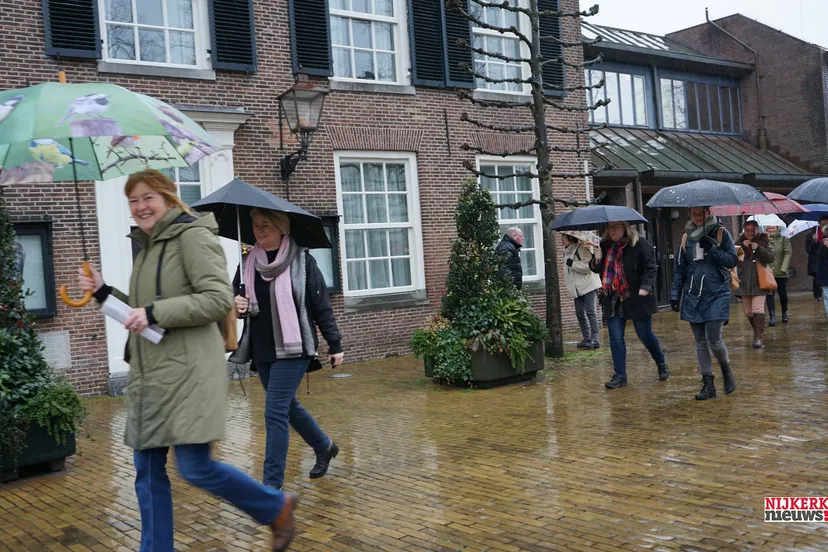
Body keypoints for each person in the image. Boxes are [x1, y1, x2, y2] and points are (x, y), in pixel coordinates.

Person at [78, 170, 297, 552]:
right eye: (133, 200)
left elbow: (216, 299)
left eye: (148, 197)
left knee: (195, 467)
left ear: (168, 198)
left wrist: (155, 312)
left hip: (188, 373)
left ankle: (275, 506)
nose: (140, 206)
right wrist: (101, 292)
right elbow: (140, 312)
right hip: (151, 375)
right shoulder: (148, 248)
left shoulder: (194, 236)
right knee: (146, 473)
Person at [234, 208, 343, 491]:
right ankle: (324, 447)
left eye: (266, 226)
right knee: (287, 407)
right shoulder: (246, 262)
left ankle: (271, 486)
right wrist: (237, 304)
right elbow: (236, 300)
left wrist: (335, 344)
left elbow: (321, 306)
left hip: (295, 347)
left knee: (274, 412)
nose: (259, 231)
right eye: (255, 225)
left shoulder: (302, 262)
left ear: (281, 228)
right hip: (263, 348)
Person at [590, 222, 668, 389]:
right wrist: (596, 258)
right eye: (609, 227)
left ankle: (660, 362)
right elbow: (598, 269)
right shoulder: (604, 246)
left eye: (616, 227)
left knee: (644, 334)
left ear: (625, 227)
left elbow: (651, 266)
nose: (612, 231)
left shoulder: (639, 243)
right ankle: (620, 376)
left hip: (636, 297)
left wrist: (646, 287)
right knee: (615, 337)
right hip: (612, 297)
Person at [671, 207, 738, 400]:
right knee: (700, 341)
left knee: (714, 339)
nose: (698, 218)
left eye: (701, 214)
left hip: (717, 293)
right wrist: (675, 295)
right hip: (693, 295)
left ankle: (726, 370)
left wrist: (713, 249)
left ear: (708, 213)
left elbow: (731, 260)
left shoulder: (720, 233)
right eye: (694, 214)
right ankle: (708, 383)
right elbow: (680, 270)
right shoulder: (686, 238)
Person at [735, 220, 775, 349]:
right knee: (748, 311)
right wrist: (742, 248)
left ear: (757, 230)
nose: (749, 233)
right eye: (747, 230)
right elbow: (733, 259)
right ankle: (757, 332)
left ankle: (758, 338)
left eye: (752, 230)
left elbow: (770, 258)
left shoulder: (764, 241)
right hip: (744, 281)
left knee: (758, 309)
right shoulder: (738, 242)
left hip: (760, 280)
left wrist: (758, 248)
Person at [562, 233, 601, 349]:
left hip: (588, 285)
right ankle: (587, 338)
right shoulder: (567, 252)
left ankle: (595, 339)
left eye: (563, 238)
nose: (562, 241)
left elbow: (589, 267)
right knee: (579, 313)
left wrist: (573, 264)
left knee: (590, 311)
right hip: (577, 288)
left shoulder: (581, 249)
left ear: (570, 238)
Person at [765, 225, 792, 325]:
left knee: (782, 294)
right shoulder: (764, 240)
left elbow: (788, 253)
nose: (771, 230)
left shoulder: (784, 239)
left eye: (773, 228)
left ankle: (784, 312)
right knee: (770, 294)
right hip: (768, 272)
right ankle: (772, 316)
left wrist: (783, 268)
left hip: (781, 272)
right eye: (769, 228)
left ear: (777, 228)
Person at [807, 215, 828, 318]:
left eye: (826, 224)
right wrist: (816, 242)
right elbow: (814, 253)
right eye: (822, 224)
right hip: (823, 269)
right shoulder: (814, 236)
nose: (824, 226)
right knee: (827, 294)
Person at [806, 227, 824, 302]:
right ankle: (817, 295)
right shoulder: (809, 237)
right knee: (817, 278)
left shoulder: (825, 235)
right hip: (814, 262)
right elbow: (809, 250)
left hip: (824, 260)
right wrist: (814, 241)